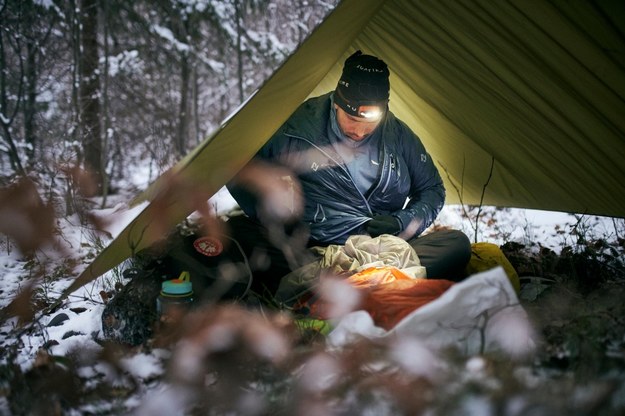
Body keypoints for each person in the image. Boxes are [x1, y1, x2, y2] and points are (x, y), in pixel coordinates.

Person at [225, 50, 471, 297]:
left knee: (456, 244)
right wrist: (275, 215)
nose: (360, 131)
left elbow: (432, 188)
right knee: (236, 231)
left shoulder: (397, 135)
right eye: (352, 119)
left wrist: (402, 221)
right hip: (314, 248)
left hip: (384, 249)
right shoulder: (298, 128)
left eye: (371, 122)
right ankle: (371, 285)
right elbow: (240, 167)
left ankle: (343, 287)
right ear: (336, 102)